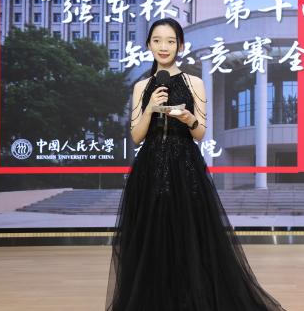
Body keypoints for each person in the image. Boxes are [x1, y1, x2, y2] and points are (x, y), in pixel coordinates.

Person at [106, 18, 285, 311]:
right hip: (149, 168)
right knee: (150, 242)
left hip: (185, 168)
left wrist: (188, 118)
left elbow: (200, 132)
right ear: (149, 45)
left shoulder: (194, 83)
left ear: (180, 46)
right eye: (157, 40)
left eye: (170, 41)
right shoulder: (141, 87)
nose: (164, 47)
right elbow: (137, 135)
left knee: (190, 240)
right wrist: (150, 108)